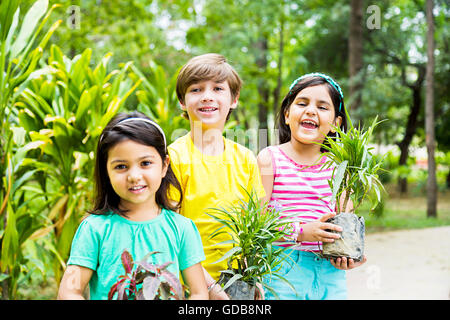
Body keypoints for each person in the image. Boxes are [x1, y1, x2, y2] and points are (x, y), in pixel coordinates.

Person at [57, 111, 208, 300]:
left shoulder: (182, 229)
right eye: (121, 166)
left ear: (164, 166)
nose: (134, 176)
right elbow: (69, 292)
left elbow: (198, 293)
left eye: (145, 163)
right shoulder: (94, 229)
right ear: (106, 171)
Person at [257, 73, 367, 300]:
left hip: (330, 274)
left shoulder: (340, 168)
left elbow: (343, 222)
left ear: (336, 123)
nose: (310, 111)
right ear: (287, 114)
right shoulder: (270, 158)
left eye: (322, 106)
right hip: (282, 270)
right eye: (302, 103)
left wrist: (347, 255)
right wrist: (300, 232)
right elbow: (259, 220)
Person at [168, 53, 266, 299]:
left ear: (234, 99)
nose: (207, 96)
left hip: (236, 283)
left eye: (218, 88)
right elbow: (171, 234)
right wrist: (209, 287)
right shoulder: (173, 158)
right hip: (187, 285)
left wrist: (254, 278)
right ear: (182, 101)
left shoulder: (245, 158)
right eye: (196, 89)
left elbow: (252, 228)